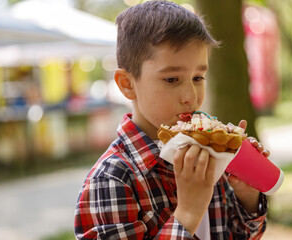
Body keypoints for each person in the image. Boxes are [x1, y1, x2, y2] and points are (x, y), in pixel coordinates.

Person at [74, 1, 269, 239]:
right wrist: (188, 212)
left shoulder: (206, 154)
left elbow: (241, 234)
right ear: (127, 84)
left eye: (198, 77)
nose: (191, 97)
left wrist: (247, 194)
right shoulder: (112, 179)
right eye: (172, 80)